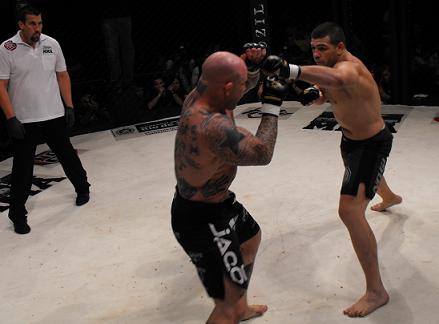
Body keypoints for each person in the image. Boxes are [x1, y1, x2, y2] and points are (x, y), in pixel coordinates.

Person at [261, 22, 402, 317]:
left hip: (371, 145)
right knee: (362, 177)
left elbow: (338, 80)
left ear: (340, 47)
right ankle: (389, 197)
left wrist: (291, 70)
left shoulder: (349, 68)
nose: (316, 53)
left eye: (322, 48)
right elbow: (328, 91)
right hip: (350, 141)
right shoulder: (330, 65)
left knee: (349, 210)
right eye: (313, 48)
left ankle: (376, 292)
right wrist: (314, 94)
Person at [171, 49, 287, 323]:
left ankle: (241, 306)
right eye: (244, 83)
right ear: (227, 87)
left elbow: (231, 90)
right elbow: (262, 153)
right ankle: (235, 307)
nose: (248, 87)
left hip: (219, 203)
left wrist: (251, 67)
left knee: (250, 239)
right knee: (226, 308)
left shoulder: (203, 93)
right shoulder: (211, 125)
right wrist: (271, 106)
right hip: (200, 219)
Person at [0, 5, 90, 234]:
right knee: (22, 167)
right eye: (32, 23)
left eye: (39, 23)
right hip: (25, 118)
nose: (37, 28)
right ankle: (17, 214)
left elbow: (62, 75)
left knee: (67, 154)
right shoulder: (7, 49)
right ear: (21, 24)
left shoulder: (52, 43)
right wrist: (11, 117)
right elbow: (1, 86)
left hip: (53, 113)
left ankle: (83, 188)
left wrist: (68, 105)